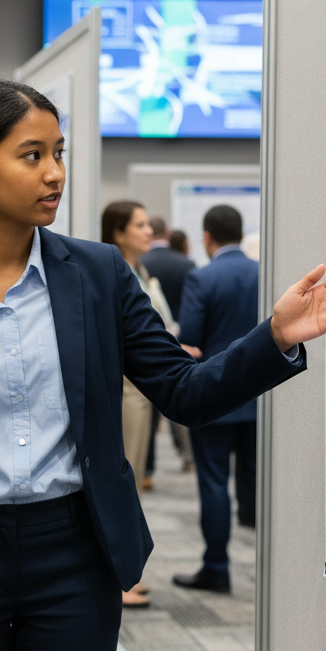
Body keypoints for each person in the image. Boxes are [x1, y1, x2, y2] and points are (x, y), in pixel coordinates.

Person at [0, 79, 326, 651]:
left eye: (59, 152)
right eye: (32, 156)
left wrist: (276, 336)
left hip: (74, 555)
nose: (55, 173)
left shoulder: (98, 275)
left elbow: (184, 391)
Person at [173, 204, 263, 595]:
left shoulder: (202, 278)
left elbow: (189, 339)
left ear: (207, 237)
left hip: (215, 397)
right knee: (258, 483)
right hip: (260, 397)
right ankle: (269, 569)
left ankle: (217, 566)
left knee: (213, 484)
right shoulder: (264, 272)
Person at [100, 200, 182, 609]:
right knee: (125, 477)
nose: (150, 232)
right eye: (140, 225)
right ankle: (119, 578)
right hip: (128, 389)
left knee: (134, 475)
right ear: (117, 232)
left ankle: (126, 572)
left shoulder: (142, 272)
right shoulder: (114, 274)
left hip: (144, 387)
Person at [139, 217, 199, 484]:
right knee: (179, 401)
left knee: (146, 418)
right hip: (177, 342)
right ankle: (188, 457)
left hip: (142, 345)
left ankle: (148, 470)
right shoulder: (186, 264)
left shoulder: (142, 265)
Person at [140, 217, 195, 321]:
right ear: (167, 233)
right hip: (180, 327)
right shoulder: (187, 264)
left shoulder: (140, 264)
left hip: (149, 326)